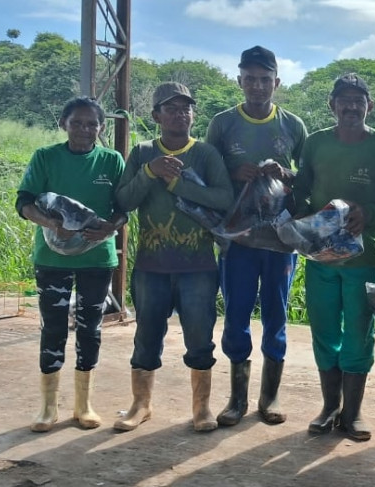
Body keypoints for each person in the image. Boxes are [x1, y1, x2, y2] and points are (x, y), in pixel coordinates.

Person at [114, 82, 234, 432]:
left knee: (199, 336)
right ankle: (140, 405)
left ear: (193, 115)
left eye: (186, 108)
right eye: (171, 108)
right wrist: (150, 172)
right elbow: (123, 201)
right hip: (151, 265)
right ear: (156, 116)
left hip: (198, 266)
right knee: (146, 335)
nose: (180, 114)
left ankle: (201, 408)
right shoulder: (142, 152)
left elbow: (224, 199)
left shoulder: (206, 154)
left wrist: (175, 184)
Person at [206, 45, 307, 427]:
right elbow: (208, 171)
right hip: (238, 240)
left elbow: (307, 177)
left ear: (277, 83)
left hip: (280, 241)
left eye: (265, 79)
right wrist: (235, 175)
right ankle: (237, 399)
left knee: (277, 314)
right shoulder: (223, 123)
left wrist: (286, 175)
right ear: (239, 81)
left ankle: (270, 396)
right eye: (250, 79)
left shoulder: (293, 125)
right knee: (235, 314)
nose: (258, 86)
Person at [292, 73, 375, 441]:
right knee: (323, 331)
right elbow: (301, 190)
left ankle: (353, 413)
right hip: (320, 259)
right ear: (332, 105)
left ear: (369, 105)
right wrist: (307, 217)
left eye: (358, 100)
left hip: (362, 259)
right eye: (344, 100)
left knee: (357, 334)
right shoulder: (316, 143)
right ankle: (328, 408)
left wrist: (367, 213)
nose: (351, 106)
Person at [16, 96, 127, 432]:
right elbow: (24, 202)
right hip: (52, 259)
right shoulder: (45, 157)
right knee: (52, 327)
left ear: (101, 127)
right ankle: (48, 407)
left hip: (97, 258)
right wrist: (52, 225)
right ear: (63, 124)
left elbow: (124, 206)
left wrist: (112, 226)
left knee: (90, 328)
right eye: (76, 122)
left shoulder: (111, 160)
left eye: (91, 123)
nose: (84, 129)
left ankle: (84, 404)